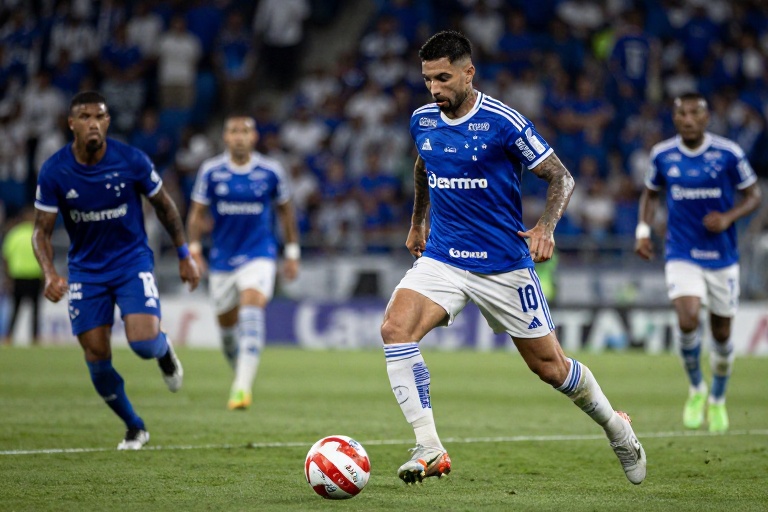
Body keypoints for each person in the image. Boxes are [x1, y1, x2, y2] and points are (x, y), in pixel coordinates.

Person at [381, 30, 646, 486]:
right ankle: (429, 446)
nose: (434, 89)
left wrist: (546, 227)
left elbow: (560, 177)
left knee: (552, 369)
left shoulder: (503, 122)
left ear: (469, 73)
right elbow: (424, 165)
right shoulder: (422, 120)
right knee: (394, 329)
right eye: (427, 80)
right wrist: (417, 221)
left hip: (503, 264)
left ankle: (617, 428)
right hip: (444, 258)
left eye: (443, 78)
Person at [32, 91, 200, 450]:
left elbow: (165, 206)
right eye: (86, 116)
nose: (94, 123)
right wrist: (49, 273)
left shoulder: (132, 160)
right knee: (96, 354)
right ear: (72, 124)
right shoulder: (55, 171)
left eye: (101, 116)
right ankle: (134, 426)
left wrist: (184, 253)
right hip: (86, 270)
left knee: (142, 344)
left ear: (108, 122)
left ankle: (163, 349)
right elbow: (40, 231)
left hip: (131, 262)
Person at [635, 92, 761, 433]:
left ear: (706, 118)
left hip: (722, 256)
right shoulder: (663, 154)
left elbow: (754, 196)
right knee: (688, 317)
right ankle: (696, 389)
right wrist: (643, 230)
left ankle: (717, 398)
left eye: (694, 113)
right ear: (674, 119)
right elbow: (650, 193)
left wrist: (729, 217)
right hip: (681, 251)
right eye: (681, 114)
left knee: (721, 333)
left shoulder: (728, 153)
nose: (687, 119)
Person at [187, 115, 300, 410]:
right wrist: (194, 249)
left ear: (254, 138)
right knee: (227, 331)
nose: (239, 136)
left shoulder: (270, 171)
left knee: (252, 305)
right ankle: (240, 373)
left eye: (245, 131)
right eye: (233, 131)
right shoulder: (211, 171)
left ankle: (241, 388)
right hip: (222, 259)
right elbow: (197, 213)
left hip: (259, 253)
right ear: (225, 138)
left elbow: (286, 212)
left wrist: (291, 253)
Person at [2, 208, 43, 346]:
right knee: (35, 310)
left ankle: (8, 337)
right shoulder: (38, 234)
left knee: (15, 309)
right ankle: (35, 338)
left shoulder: (14, 234)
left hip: (18, 276)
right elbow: (46, 258)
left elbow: (5, 257)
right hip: (34, 276)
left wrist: (8, 277)